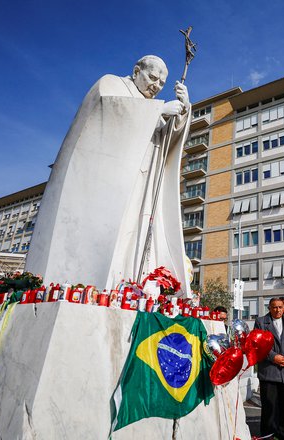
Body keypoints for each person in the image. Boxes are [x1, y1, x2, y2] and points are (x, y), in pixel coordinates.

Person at [26, 55, 192, 292]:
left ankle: (129, 287)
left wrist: (183, 112)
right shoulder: (112, 84)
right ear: (137, 71)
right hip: (111, 184)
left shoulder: (152, 103)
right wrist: (157, 111)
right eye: (152, 78)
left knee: (135, 236)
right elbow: (104, 116)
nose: (156, 86)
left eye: (161, 83)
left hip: (142, 184)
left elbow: (165, 142)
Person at [254, 297, 284, 440]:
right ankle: (269, 437)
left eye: (280, 307)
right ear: (269, 308)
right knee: (270, 410)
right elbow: (258, 344)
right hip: (270, 372)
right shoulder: (261, 322)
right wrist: (274, 357)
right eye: (274, 307)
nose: (278, 310)